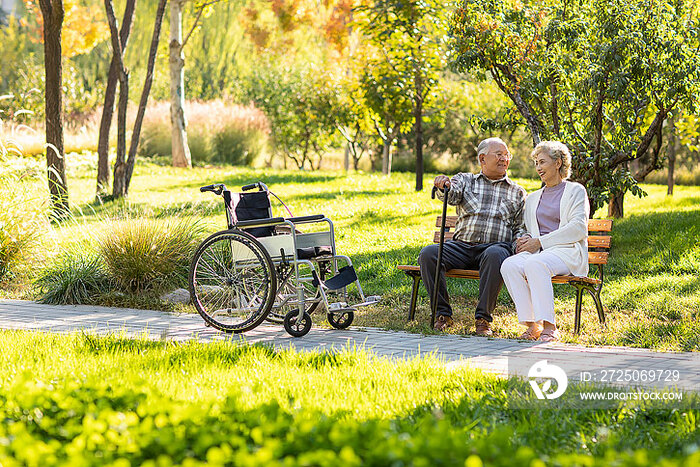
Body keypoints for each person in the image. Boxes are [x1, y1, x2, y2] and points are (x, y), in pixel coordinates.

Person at [418, 137, 526, 335]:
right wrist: (444, 185)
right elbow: (451, 194)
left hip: (494, 249)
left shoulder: (517, 192)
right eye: (499, 154)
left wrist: (520, 242)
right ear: (482, 159)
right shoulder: (466, 180)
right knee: (429, 254)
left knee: (496, 254)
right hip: (461, 247)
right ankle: (443, 314)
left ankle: (483, 319)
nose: (504, 159)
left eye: (507, 155)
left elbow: (520, 227)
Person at [500, 141, 590, 342]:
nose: (538, 168)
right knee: (509, 265)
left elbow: (578, 228)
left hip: (567, 252)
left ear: (558, 163)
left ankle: (550, 327)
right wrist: (525, 239)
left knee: (535, 263)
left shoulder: (576, 191)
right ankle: (533, 325)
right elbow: (529, 230)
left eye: (543, 162)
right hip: (541, 252)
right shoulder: (533, 198)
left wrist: (539, 242)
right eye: (536, 163)